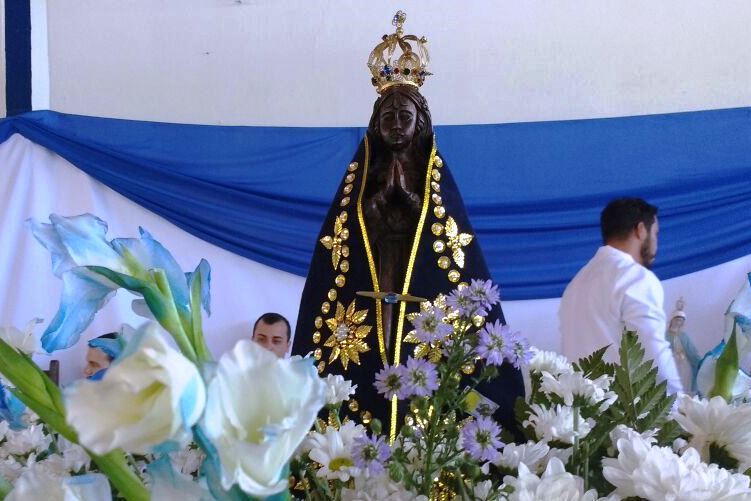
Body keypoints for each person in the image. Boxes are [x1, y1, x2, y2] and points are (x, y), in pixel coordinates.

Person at [293, 11, 524, 438]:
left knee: (423, 353)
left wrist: (411, 199)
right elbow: (347, 238)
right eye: (388, 116)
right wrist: (380, 201)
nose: (396, 124)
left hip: (423, 280)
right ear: (375, 126)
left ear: (421, 123)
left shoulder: (433, 175)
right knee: (372, 352)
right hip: (374, 272)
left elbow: (447, 237)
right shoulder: (364, 175)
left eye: (404, 115)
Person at [559, 197, 684, 394]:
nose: (656, 245)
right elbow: (652, 354)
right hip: (626, 417)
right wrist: (680, 406)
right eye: (655, 234)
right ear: (641, 229)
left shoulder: (575, 284)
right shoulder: (636, 278)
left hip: (580, 414)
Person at [665, 298, 700, 394]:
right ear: (672, 320)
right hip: (671, 362)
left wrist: (700, 362)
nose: (678, 322)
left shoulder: (683, 336)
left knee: (684, 382)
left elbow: (691, 351)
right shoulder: (665, 335)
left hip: (684, 363)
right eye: (676, 320)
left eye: (680, 321)